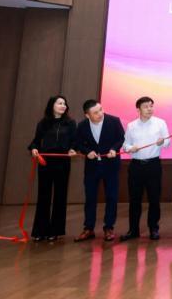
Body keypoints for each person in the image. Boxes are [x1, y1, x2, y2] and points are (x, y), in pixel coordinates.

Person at [74, 99, 125, 242]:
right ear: (87, 115)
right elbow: (78, 143)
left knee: (111, 197)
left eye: (101, 110)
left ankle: (109, 228)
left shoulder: (114, 121)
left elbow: (121, 138)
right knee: (90, 198)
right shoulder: (82, 125)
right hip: (92, 167)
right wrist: (87, 151)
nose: (100, 114)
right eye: (95, 112)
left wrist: (114, 149)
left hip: (111, 165)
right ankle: (88, 228)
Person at [119, 97, 169, 242]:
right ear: (138, 109)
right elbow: (125, 145)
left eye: (151, 106)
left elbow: (167, 141)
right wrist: (130, 148)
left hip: (153, 165)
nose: (149, 109)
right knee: (135, 199)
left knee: (154, 198)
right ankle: (133, 230)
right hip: (136, 166)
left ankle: (153, 229)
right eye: (146, 106)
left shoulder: (160, 123)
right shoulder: (131, 126)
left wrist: (162, 142)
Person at [28, 95, 77, 242]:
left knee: (60, 195)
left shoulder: (70, 123)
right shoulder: (43, 123)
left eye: (64, 103)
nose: (63, 106)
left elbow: (74, 142)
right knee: (43, 195)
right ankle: (40, 231)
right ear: (52, 105)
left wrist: (73, 149)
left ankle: (55, 231)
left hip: (62, 162)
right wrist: (34, 149)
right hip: (45, 162)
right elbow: (35, 142)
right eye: (59, 103)